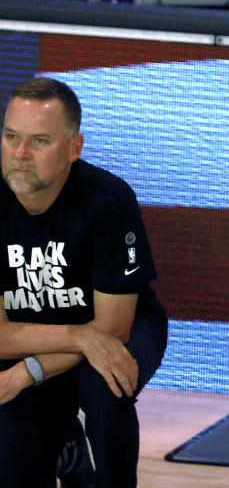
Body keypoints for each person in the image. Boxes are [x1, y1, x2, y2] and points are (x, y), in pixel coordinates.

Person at [0, 76, 168, 488]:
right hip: (46, 331)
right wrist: (77, 337)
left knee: (105, 384)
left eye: (40, 141)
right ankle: (67, 452)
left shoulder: (107, 199)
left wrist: (27, 371)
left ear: (74, 148)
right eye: (10, 136)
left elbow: (112, 331)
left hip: (121, 327)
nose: (20, 154)